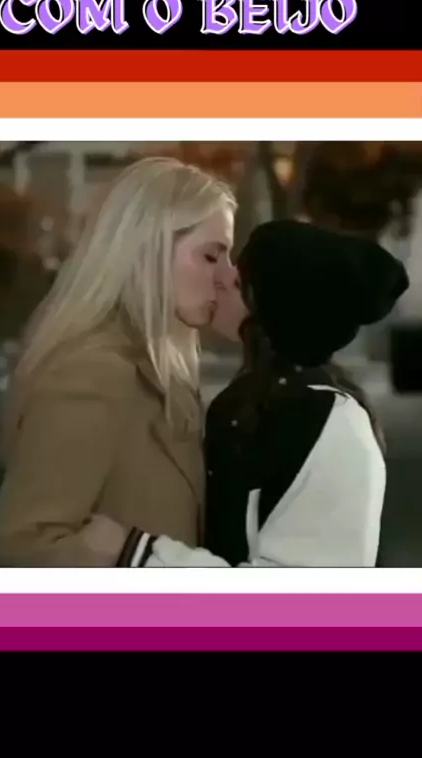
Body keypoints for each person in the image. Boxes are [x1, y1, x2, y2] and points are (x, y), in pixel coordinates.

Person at [0, 157, 236, 567]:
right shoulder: (93, 371)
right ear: (150, 249)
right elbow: (24, 547)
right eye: (211, 257)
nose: (227, 277)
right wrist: (130, 557)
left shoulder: (164, 374)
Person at [122, 220, 409, 568]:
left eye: (240, 282)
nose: (220, 279)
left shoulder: (332, 423)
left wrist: (142, 557)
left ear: (278, 312)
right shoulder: (251, 403)